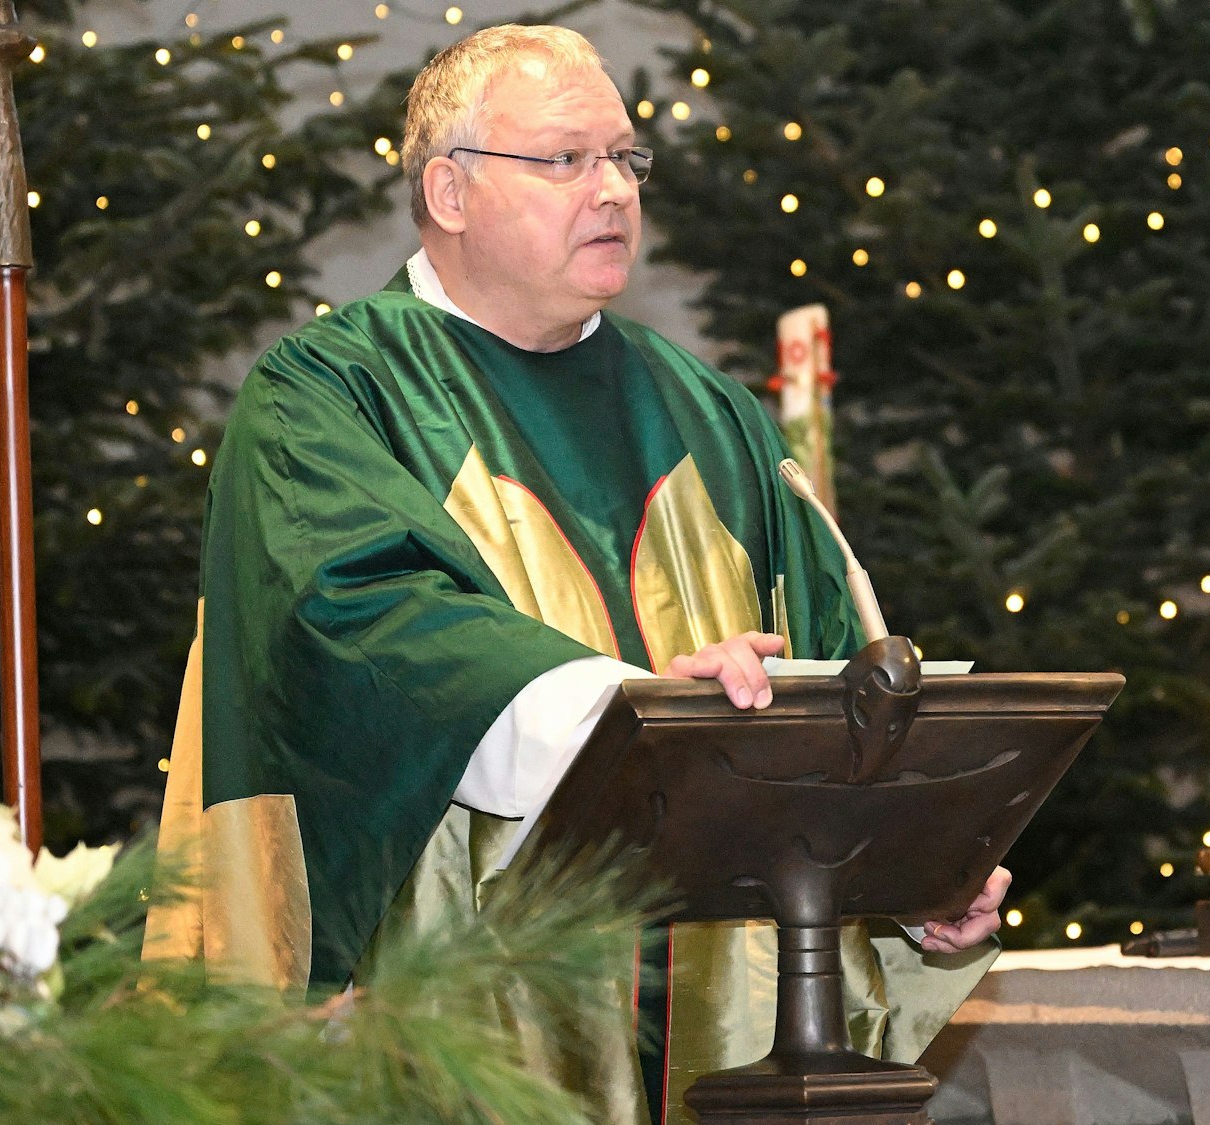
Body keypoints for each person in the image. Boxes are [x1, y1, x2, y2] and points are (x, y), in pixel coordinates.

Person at [144, 22, 1007, 1122]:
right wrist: (640, 724)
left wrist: (911, 877)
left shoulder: (714, 418)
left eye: (626, 159)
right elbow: (363, 623)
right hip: (464, 1022)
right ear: (447, 191)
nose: (612, 191)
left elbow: (835, 682)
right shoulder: (328, 396)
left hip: (717, 1033)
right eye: (564, 159)